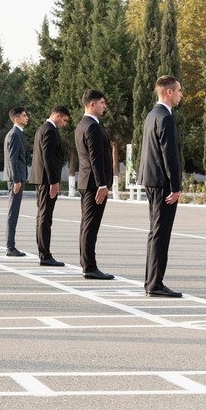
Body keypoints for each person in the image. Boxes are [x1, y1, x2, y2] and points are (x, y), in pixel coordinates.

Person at [137, 76, 184, 298]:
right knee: (160, 233)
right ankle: (155, 284)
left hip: (152, 180)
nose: (181, 95)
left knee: (156, 232)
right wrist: (176, 185)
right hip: (162, 183)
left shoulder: (151, 115)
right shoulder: (164, 117)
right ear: (168, 92)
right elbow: (169, 155)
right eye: (178, 91)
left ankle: (152, 281)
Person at [75, 90, 115, 280]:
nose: (104, 106)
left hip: (86, 181)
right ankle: (89, 266)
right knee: (90, 226)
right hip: (93, 184)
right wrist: (102, 185)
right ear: (92, 104)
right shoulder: (91, 126)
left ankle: (87, 263)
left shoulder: (82, 125)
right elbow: (95, 158)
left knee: (87, 225)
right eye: (102, 102)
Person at [29, 105, 70, 267]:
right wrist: (54, 181)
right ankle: (45, 254)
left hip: (42, 179)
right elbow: (48, 157)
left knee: (42, 216)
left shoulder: (42, 128)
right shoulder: (50, 130)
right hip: (46, 180)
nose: (64, 124)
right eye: (64, 120)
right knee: (45, 217)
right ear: (57, 116)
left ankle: (43, 252)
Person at [4, 107, 29, 256]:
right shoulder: (14, 134)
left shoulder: (18, 133)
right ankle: (10, 246)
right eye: (24, 116)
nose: (27, 118)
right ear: (16, 119)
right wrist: (17, 179)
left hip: (17, 177)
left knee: (14, 211)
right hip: (16, 179)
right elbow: (13, 159)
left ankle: (11, 245)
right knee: (13, 212)